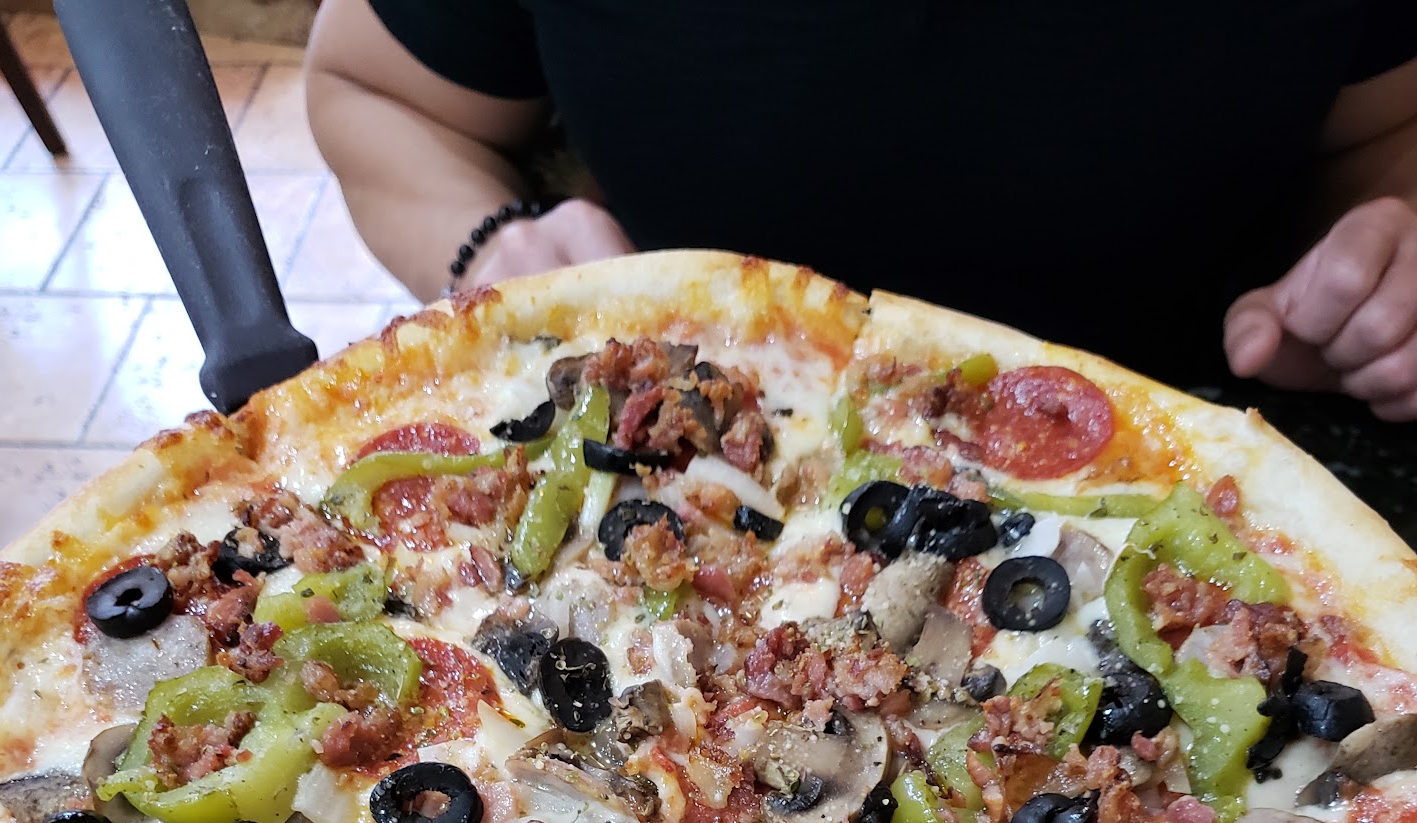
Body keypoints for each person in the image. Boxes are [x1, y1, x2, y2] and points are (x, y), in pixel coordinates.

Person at [306, 0, 1417, 420]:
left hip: (1202, 445)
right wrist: (492, 246)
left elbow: (1387, 130)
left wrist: (1382, 265)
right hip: (688, 451)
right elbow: (376, 91)